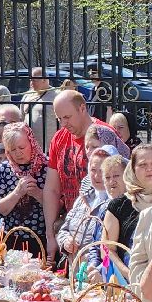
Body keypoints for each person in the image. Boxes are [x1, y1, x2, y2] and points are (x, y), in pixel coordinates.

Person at [44, 90, 130, 239]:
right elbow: (52, 189)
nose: (63, 124)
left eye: (67, 117)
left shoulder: (104, 134)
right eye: (59, 119)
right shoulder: (59, 138)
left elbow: (123, 179)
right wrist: (50, 235)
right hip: (74, 225)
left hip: (106, 223)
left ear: (82, 108)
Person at [0, 123, 55, 262]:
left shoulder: (47, 167)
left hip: (41, 239)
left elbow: (59, 207)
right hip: (12, 242)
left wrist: (38, 194)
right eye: (12, 149)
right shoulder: (4, 169)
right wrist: (17, 193)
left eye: (22, 147)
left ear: (31, 143)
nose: (18, 153)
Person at [57, 145, 115, 263]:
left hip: (99, 274)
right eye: (93, 170)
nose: (97, 176)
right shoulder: (83, 199)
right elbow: (64, 229)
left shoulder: (116, 204)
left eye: (102, 171)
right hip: (75, 271)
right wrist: (66, 241)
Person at [99, 154, 135, 259]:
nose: (111, 181)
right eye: (107, 177)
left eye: (116, 176)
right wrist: (93, 265)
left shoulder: (135, 205)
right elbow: (96, 246)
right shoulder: (102, 208)